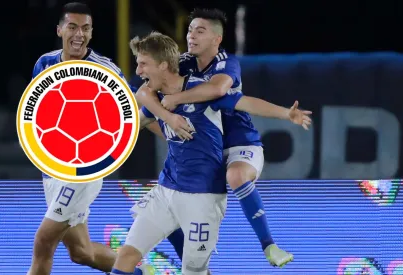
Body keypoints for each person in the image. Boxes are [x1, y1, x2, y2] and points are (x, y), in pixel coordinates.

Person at [111, 31, 311, 275]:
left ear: (163, 65)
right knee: (125, 258)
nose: (139, 71)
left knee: (194, 271)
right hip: (166, 192)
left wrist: (286, 114)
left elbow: (245, 102)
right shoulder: (157, 98)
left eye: (143, 64)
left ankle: (267, 245)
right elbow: (129, 125)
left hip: (203, 199)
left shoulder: (202, 91)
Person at [27, 3, 153, 275]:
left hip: (84, 171)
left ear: (92, 32)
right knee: (80, 252)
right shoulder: (44, 63)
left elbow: (134, 111)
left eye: (85, 28)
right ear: (59, 29)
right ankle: (136, 272)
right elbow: (36, 114)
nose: (79, 34)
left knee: (44, 241)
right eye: (72, 27)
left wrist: (168, 120)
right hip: (52, 167)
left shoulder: (105, 70)